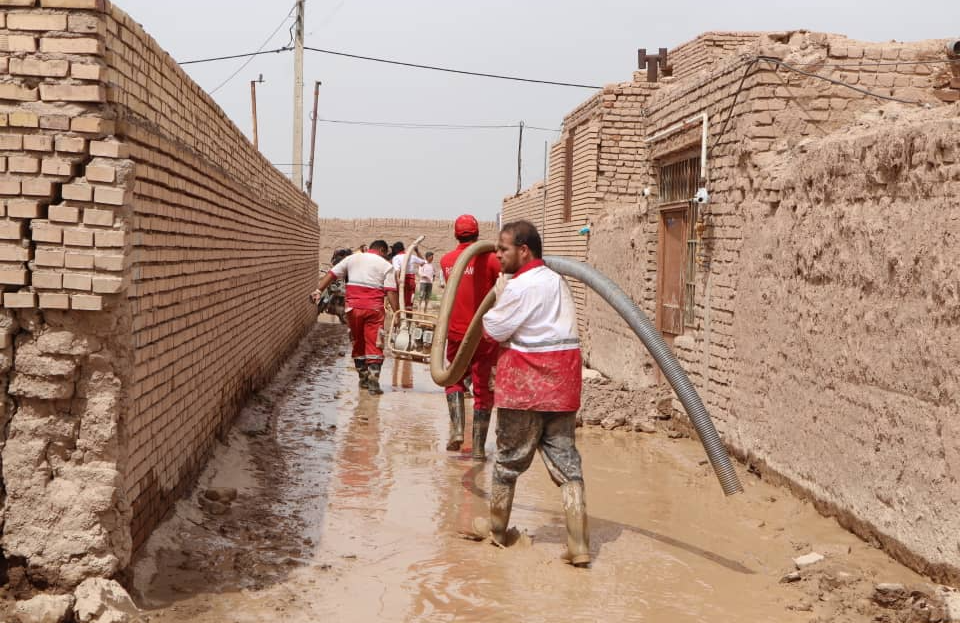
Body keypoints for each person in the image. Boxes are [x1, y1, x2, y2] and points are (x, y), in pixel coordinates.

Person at [471, 220, 590, 567]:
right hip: (562, 385)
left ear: (524, 250)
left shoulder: (520, 286)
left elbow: (493, 328)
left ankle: (496, 530)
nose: (497, 255)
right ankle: (579, 545)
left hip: (525, 385)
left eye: (503, 249)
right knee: (567, 463)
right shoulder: (556, 280)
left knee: (508, 461)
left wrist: (499, 295)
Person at [439, 214, 500, 459]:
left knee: (452, 378)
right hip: (484, 334)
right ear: (478, 234)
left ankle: (456, 430)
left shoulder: (446, 261)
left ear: (456, 234)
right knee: (483, 389)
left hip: (455, 332)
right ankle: (477, 448)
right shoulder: (493, 259)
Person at [312, 239, 398, 395]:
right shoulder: (386, 265)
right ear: (383, 251)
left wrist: (318, 290)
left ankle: (363, 380)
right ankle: (373, 384)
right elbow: (391, 292)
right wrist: (397, 313)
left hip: (352, 309)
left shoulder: (351, 258)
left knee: (358, 342)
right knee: (375, 343)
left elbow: (331, 274)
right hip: (374, 310)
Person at [390, 241, 426, 310]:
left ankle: (401, 318)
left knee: (400, 301)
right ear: (403, 249)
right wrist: (417, 251)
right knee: (409, 302)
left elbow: (397, 269)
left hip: (401, 281)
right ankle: (409, 319)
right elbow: (423, 262)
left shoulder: (396, 257)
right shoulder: (411, 256)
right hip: (411, 282)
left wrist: (397, 278)